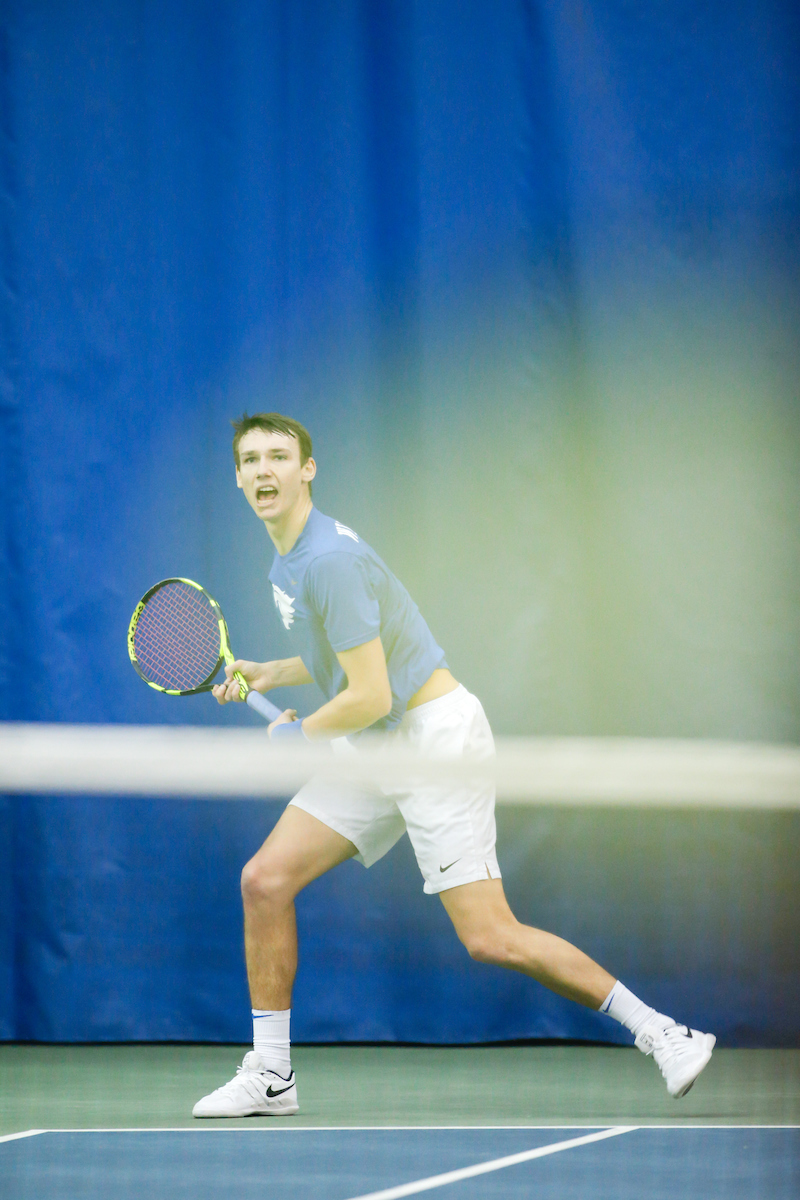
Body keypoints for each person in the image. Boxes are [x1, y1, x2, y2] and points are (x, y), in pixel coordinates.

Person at [192, 412, 715, 1118]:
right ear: (237, 476)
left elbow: (372, 691)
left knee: (490, 937)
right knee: (265, 880)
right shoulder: (290, 559)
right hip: (376, 743)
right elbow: (342, 663)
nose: (263, 471)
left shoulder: (329, 561)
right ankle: (272, 1074)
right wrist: (266, 673)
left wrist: (305, 734)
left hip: (433, 742)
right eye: (250, 459)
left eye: (278, 457)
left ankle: (663, 1033)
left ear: (307, 469)